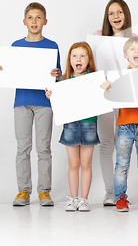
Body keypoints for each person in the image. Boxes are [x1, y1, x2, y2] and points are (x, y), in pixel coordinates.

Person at [0, 2, 61, 206]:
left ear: (45, 21)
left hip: (44, 103)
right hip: (22, 102)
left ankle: (44, 192)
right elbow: (11, 72)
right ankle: (23, 191)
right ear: (24, 21)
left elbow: (57, 76)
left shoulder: (52, 46)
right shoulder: (15, 46)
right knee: (22, 148)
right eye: (30, 17)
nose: (34, 21)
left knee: (43, 148)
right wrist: (2, 72)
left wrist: (57, 75)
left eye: (38, 17)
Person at [102, 36, 138, 212]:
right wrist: (109, 86)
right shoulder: (118, 76)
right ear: (126, 55)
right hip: (124, 125)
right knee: (121, 164)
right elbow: (110, 97)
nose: (136, 52)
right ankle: (120, 198)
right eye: (132, 49)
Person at [45, 42, 100, 212]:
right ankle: (73, 199)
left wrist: (105, 87)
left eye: (83, 56)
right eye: (75, 56)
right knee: (73, 164)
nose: (79, 59)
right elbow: (59, 102)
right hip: (70, 124)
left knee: (86, 163)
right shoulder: (63, 80)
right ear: (69, 60)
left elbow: (104, 97)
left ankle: (84, 199)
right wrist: (51, 96)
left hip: (89, 123)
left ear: (88, 60)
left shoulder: (95, 79)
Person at [94, 0, 134, 206]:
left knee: (123, 144)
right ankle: (110, 190)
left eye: (119, 12)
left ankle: (121, 192)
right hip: (104, 96)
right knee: (106, 144)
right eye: (111, 13)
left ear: (126, 14)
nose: (116, 17)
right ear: (107, 17)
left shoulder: (135, 38)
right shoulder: (97, 38)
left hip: (126, 96)